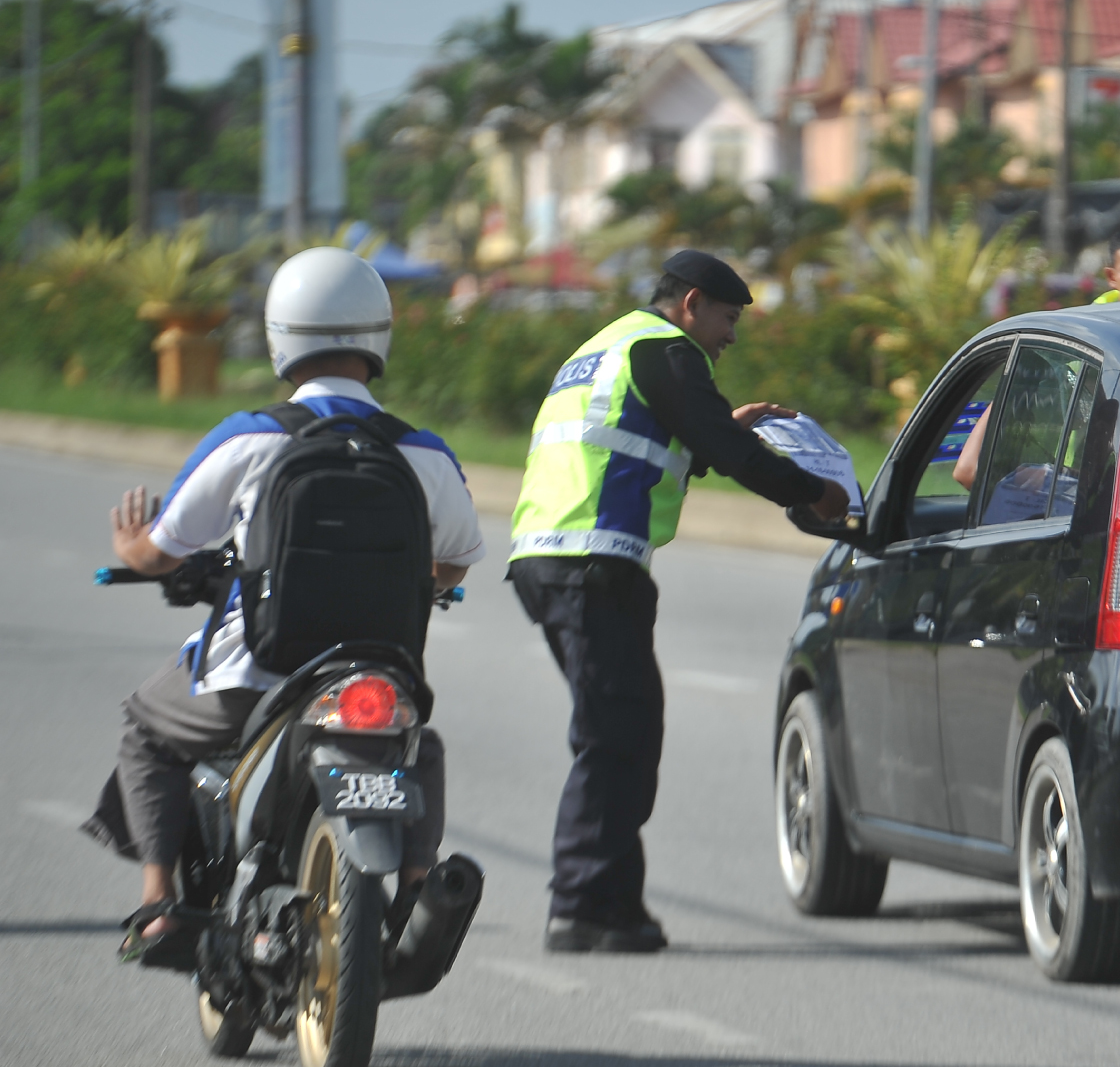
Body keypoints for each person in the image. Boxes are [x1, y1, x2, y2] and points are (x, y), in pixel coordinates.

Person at [86, 247, 486, 964]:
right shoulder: (424, 452)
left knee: (148, 729)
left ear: (279, 337)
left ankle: (157, 907)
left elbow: (164, 550)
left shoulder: (249, 438)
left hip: (255, 680)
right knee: (418, 745)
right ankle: (421, 885)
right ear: (378, 336)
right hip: (379, 679)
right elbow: (456, 556)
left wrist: (131, 548)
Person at [508, 249, 849, 953]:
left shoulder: (608, 344)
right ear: (692, 303)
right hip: (591, 563)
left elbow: (654, 445)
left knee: (621, 731)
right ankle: (583, 907)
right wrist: (811, 492)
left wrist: (723, 432)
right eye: (727, 319)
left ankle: (608, 904)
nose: (731, 336)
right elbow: (727, 449)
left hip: (555, 558)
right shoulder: (668, 350)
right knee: (614, 738)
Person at [952, 226, 1120, 490]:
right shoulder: (1082, 339)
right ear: (1111, 275)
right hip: (1097, 482)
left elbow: (969, 470)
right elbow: (970, 469)